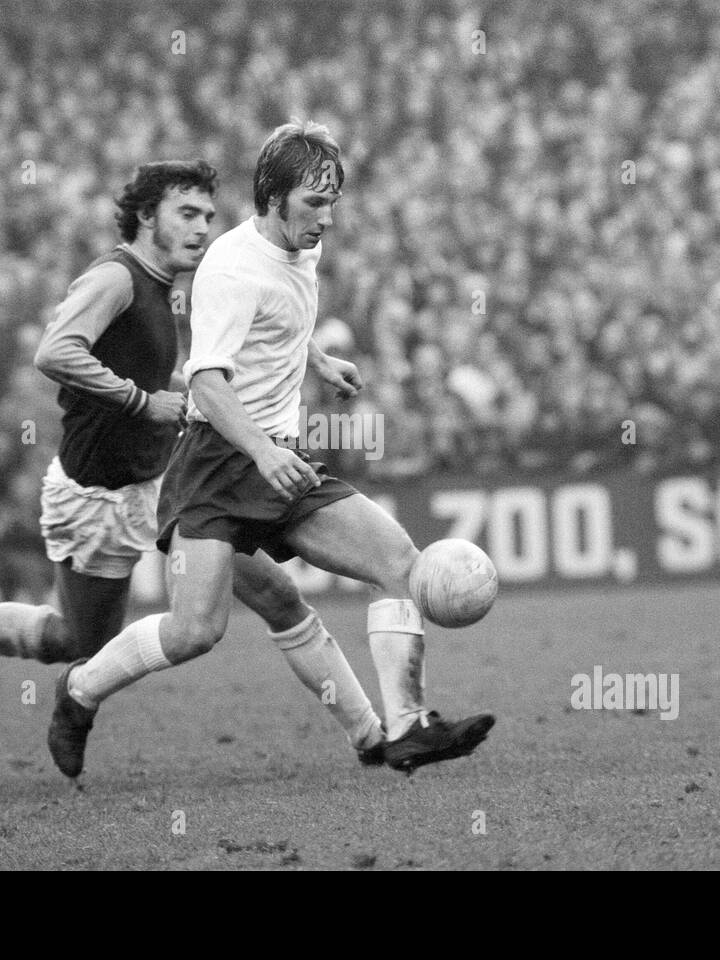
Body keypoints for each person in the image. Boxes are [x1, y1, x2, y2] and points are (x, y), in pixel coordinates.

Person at [0, 160, 387, 766]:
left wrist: (312, 358)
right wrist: (140, 401)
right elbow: (55, 351)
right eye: (187, 214)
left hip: (168, 480)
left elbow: (226, 339)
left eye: (207, 214)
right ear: (147, 217)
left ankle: (375, 740)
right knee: (76, 640)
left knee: (277, 596)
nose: (203, 227)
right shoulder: (116, 279)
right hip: (99, 494)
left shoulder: (173, 283)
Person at [48, 123, 495, 777]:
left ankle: (403, 729)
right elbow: (205, 380)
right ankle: (79, 691)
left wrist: (315, 355)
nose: (327, 218)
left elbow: (278, 312)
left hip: (276, 453)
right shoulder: (230, 269)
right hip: (215, 463)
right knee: (195, 630)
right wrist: (260, 451)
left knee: (400, 563)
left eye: (333, 201)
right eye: (314, 202)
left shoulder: (297, 248)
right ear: (273, 196)